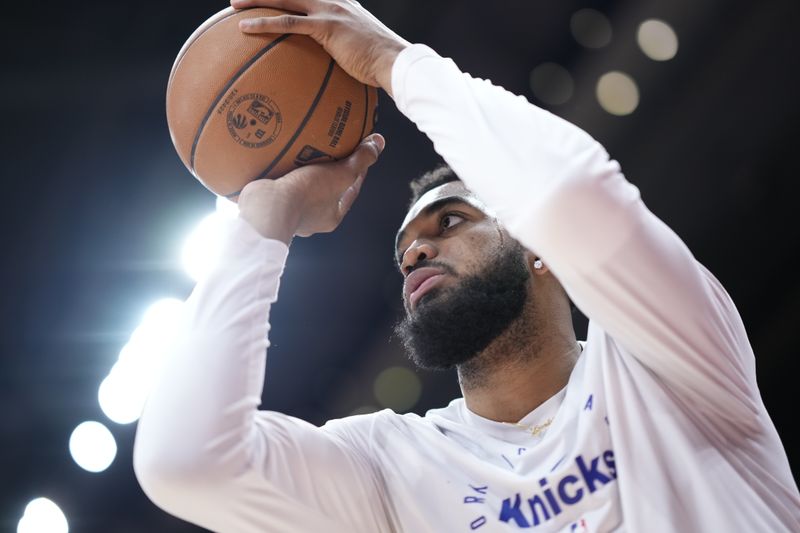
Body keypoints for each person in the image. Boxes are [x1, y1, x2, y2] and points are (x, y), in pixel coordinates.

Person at [133, 0, 800, 531]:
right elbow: (186, 462)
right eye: (404, 251)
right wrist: (263, 223)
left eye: (450, 222)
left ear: (540, 246)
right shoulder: (394, 467)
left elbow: (573, 195)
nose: (416, 251)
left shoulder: (664, 362)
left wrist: (394, 63)